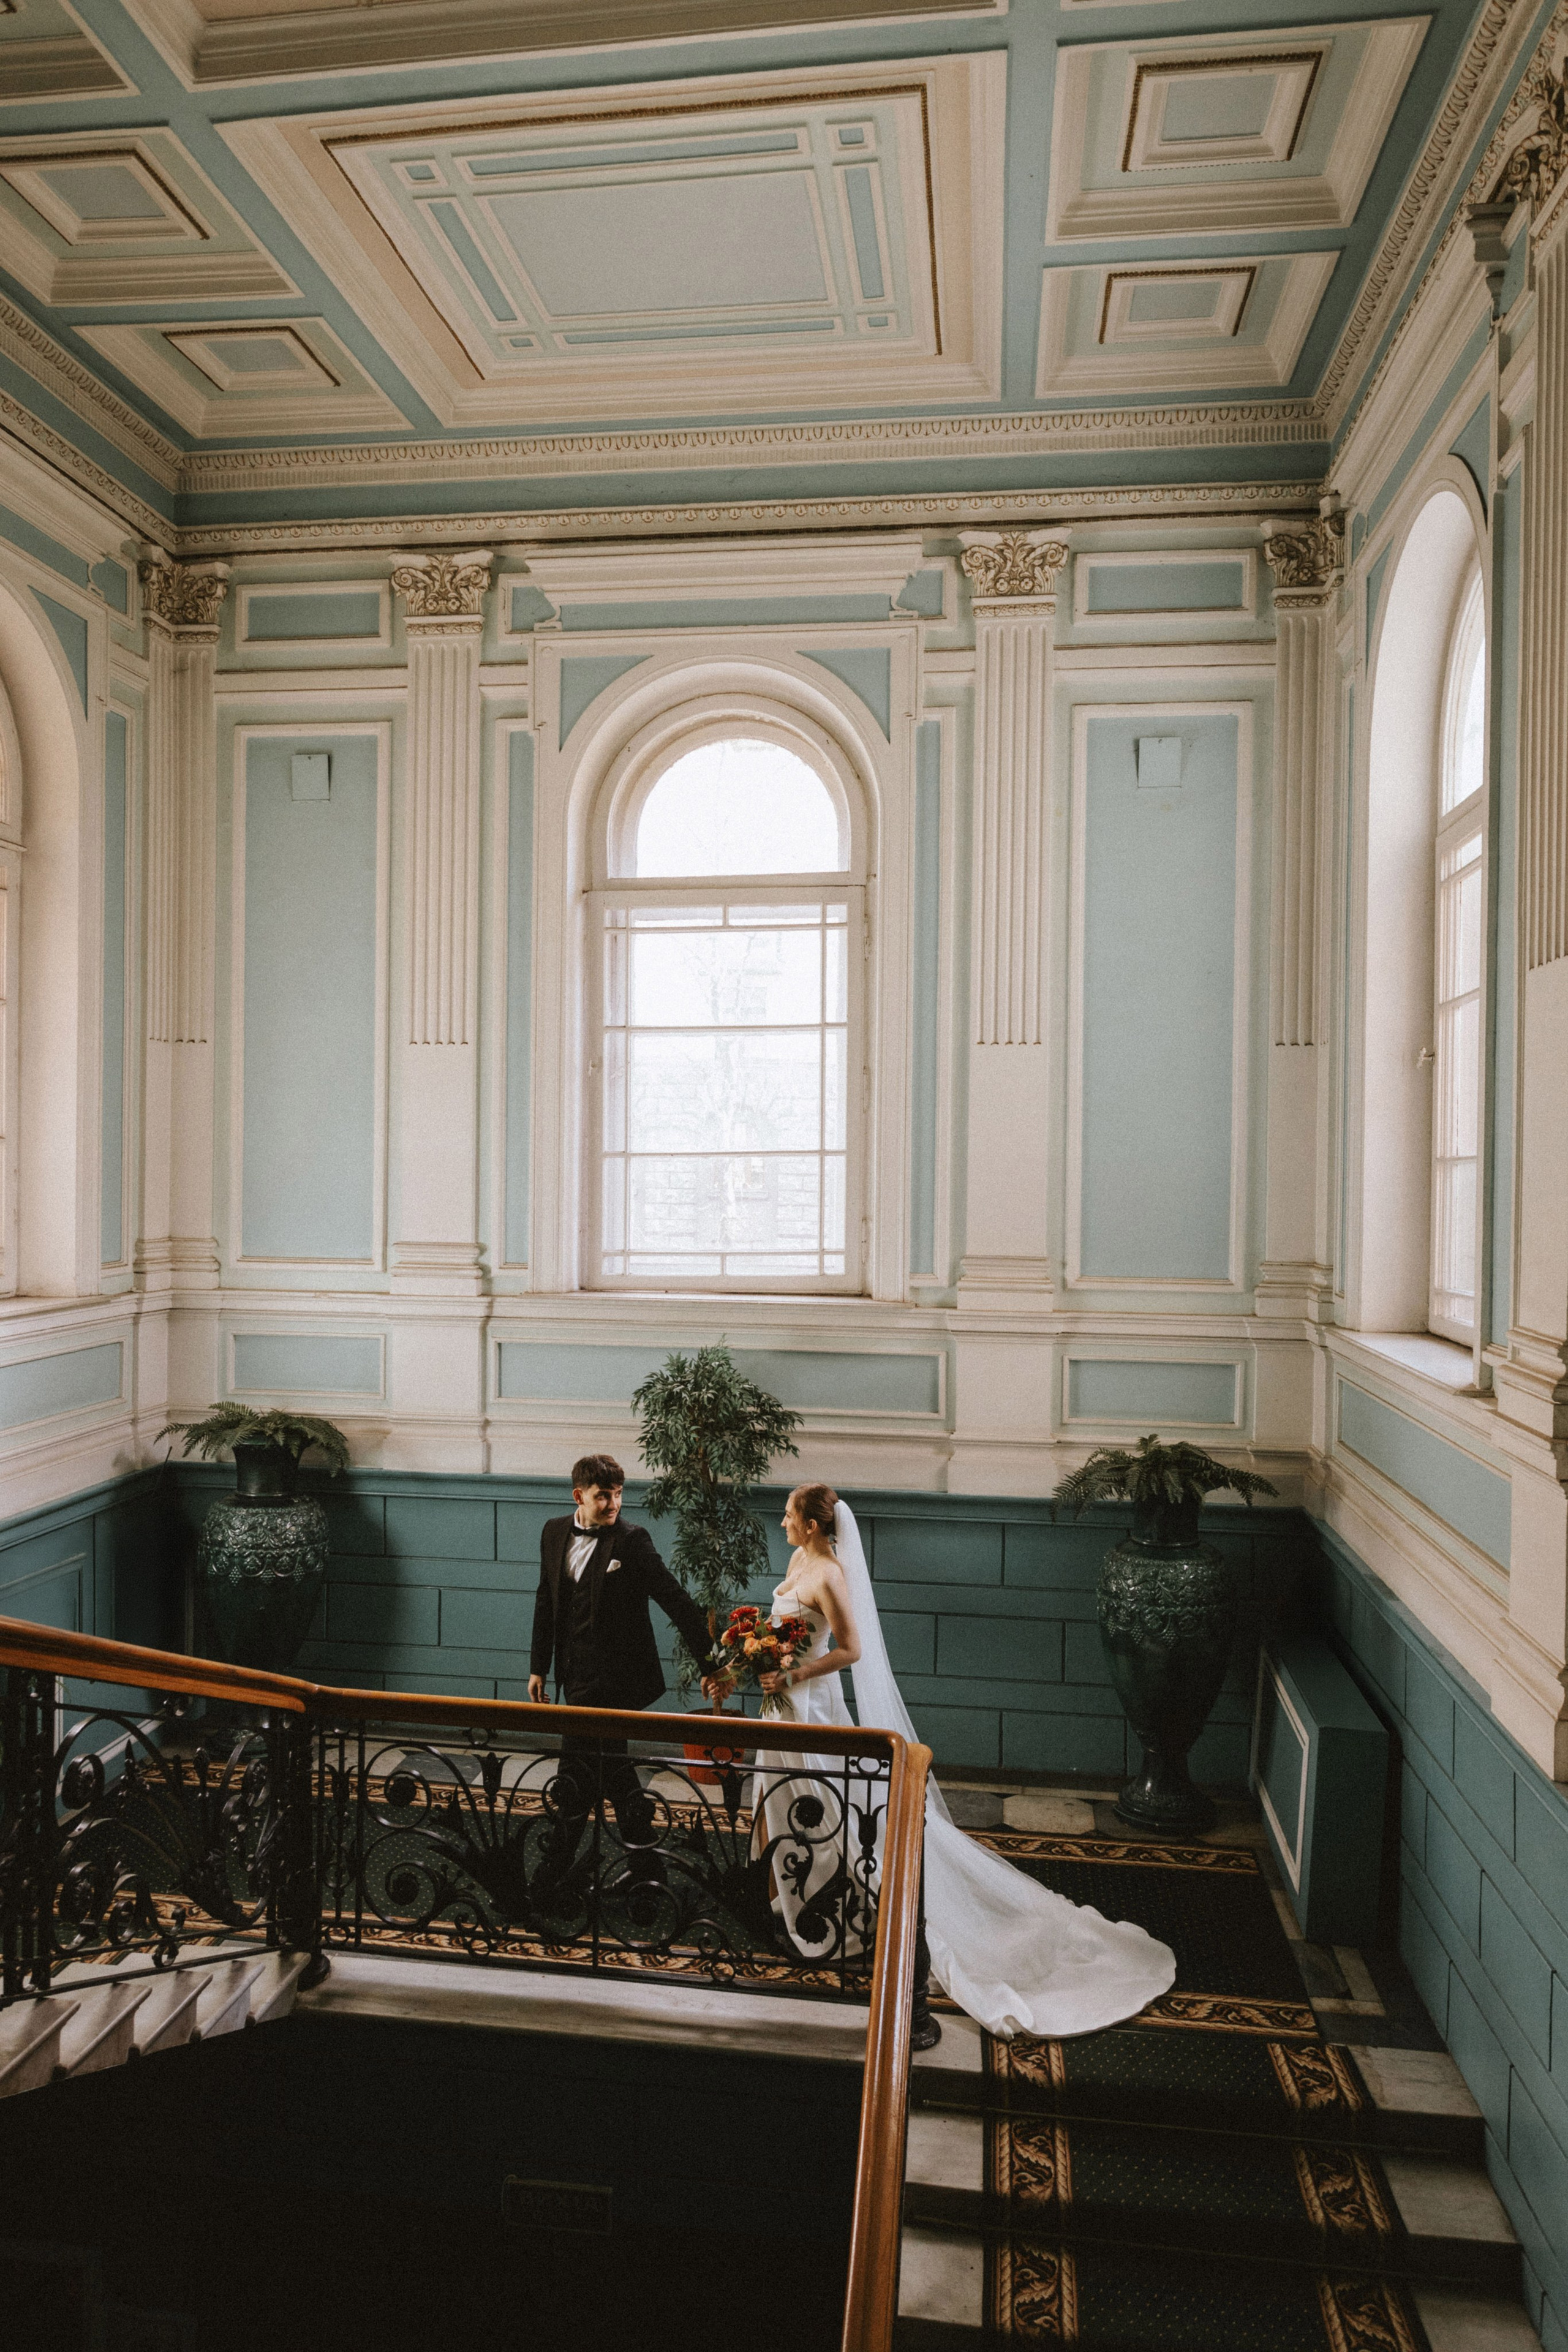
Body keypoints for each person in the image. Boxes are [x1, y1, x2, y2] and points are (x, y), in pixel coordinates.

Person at [722, 1482, 1177, 2038]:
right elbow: (779, 1631)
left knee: (824, 1802)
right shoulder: (798, 1558)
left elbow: (851, 1649)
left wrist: (793, 1673)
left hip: (810, 1704)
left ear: (813, 1524)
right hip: (782, 1705)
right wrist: (753, 1657)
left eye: (791, 1515)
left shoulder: (832, 1575)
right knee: (785, 1794)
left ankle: (846, 1909)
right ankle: (785, 1896)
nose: (784, 1522)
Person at [528, 1453, 718, 1893]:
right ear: (579, 1496)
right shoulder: (554, 1532)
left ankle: (549, 1878)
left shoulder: (632, 1541)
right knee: (613, 1773)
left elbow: (676, 1600)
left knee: (575, 1776)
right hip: (574, 1679)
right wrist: (539, 1666)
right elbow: (546, 1600)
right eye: (603, 1496)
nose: (613, 1504)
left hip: (615, 1682)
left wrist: (713, 1664)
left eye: (617, 1494)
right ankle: (649, 1870)